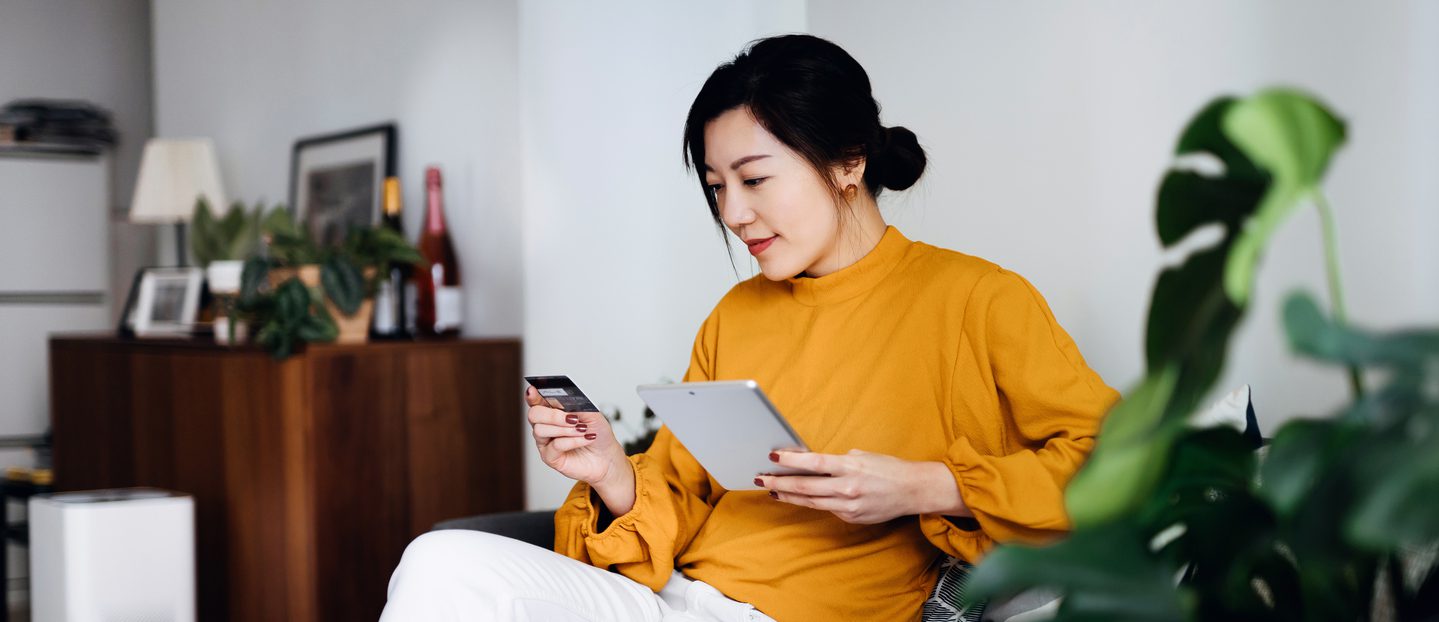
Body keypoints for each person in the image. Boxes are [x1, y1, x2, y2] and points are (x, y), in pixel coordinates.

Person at [380, 33, 1119, 621]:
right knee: (439, 562)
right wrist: (608, 471)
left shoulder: (978, 299)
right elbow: (679, 489)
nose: (733, 213)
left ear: (847, 162)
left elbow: (1114, 465)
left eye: (755, 179)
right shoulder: (736, 314)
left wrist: (923, 486)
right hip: (668, 602)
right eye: (716, 187)